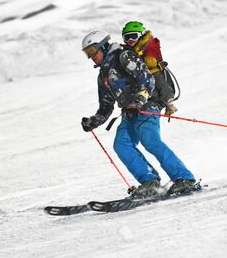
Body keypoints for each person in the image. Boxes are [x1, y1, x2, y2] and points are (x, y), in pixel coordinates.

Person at [80, 30, 197, 197]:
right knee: (121, 145)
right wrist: (94, 121)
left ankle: (184, 178)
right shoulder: (103, 75)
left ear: (104, 47)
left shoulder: (124, 57)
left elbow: (147, 79)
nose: (91, 56)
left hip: (147, 106)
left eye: (92, 51)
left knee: (150, 141)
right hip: (129, 113)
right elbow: (106, 106)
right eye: (87, 53)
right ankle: (149, 181)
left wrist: (140, 98)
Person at [121, 21, 178, 116]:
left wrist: (169, 102)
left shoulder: (148, 52)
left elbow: (159, 80)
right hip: (136, 93)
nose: (130, 40)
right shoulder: (128, 52)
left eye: (133, 36)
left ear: (141, 35)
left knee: (154, 75)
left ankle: (167, 100)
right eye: (126, 37)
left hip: (152, 94)